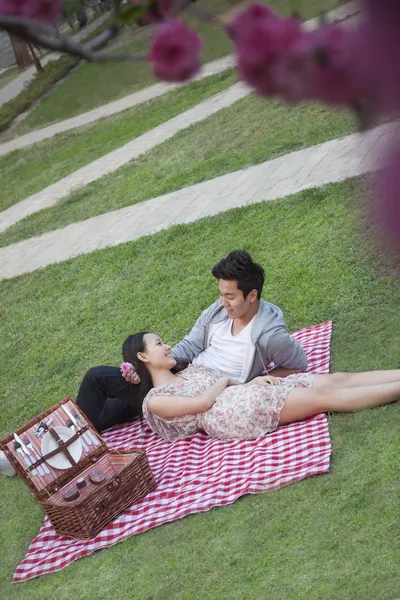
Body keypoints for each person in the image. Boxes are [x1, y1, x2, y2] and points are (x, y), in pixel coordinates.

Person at [74, 250, 307, 433]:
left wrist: (257, 381)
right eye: (221, 294)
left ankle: (77, 439)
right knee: (108, 385)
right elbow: (191, 345)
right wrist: (154, 365)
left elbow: (297, 363)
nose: (223, 302)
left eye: (230, 296)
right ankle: (76, 434)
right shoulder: (217, 311)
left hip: (205, 387)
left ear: (252, 295)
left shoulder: (270, 335)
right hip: (184, 374)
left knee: (101, 379)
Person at [124, 331, 400, 442]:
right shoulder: (155, 400)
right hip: (232, 414)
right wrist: (228, 381)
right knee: (323, 396)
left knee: (337, 379)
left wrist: (249, 382)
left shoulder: (188, 370)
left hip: (244, 394)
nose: (168, 345)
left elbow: (231, 385)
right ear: (143, 356)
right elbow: (203, 404)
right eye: (159, 344)